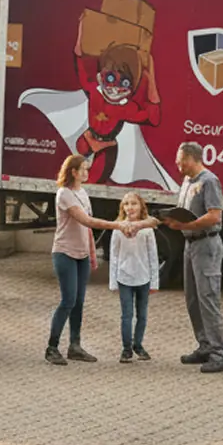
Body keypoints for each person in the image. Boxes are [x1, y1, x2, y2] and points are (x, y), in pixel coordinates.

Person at [46, 153, 132, 365]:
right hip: (64, 253)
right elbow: (86, 220)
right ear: (73, 172)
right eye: (84, 169)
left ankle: (75, 346)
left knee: (79, 302)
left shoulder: (83, 193)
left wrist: (92, 255)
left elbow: (87, 231)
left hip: (82, 255)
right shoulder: (64, 194)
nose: (87, 172)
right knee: (68, 301)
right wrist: (118, 225)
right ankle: (52, 347)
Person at [157, 142, 223, 374]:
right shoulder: (187, 182)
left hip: (206, 244)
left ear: (192, 159)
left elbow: (214, 215)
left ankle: (219, 354)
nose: (178, 166)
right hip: (190, 244)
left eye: (180, 161)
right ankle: (204, 345)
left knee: (208, 298)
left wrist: (186, 224)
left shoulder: (209, 181)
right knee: (192, 299)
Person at [108, 191, 159, 362]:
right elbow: (114, 255)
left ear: (141, 207)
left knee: (142, 314)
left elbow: (153, 255)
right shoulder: (118, 228)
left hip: (143, 277)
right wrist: (113, 281)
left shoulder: (147, 229)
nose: (130, 207)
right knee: (127, 314)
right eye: (126, 204)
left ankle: (138, 344)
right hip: (124, 278)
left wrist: (154, 281)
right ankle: (126, 348)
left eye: (134, 203)